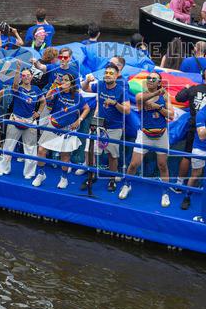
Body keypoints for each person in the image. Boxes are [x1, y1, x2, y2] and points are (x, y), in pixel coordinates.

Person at [120, 72, 173, 207]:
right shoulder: (141, 95)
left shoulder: (165, 96)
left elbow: (171, 115)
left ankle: (165, 192)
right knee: (133, 164)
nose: (150, 80)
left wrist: (158, 107)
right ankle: (127, 184)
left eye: (153, 79)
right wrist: (157, 94)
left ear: (159, 82)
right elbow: (140, 100)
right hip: (144, 134)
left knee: (162, 165)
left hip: (161, 135)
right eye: (148, 78)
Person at [32, 73, 90, 189]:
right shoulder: (57, 91)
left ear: (72, 83)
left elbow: (87, 108)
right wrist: (54, 87)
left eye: (66, 80)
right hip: (53, 125)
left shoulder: (77, 96)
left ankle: (64, 178)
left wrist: (79, 120)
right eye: (62, 79)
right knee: (41, 150)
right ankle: (40, 174)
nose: (63, 81)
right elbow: (47, 98)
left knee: (65, 155)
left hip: (67, 129)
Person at [82, 64, 131, 192]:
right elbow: (84, 89)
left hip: (114, 126)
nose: (107, 75)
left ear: (116, 75)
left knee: (112, 155)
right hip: (98, 122)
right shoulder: (100, 85)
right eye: (106, 72)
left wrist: (115, 103)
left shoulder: (121, 90)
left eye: (111, 73)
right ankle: (91, 176)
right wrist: (87, 80)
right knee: (89, 151)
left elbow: (127, 110)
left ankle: (112, 179)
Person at [0, 65, 45, 179]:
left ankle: (29, 173)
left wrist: (38, 112)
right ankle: (3, 169)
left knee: (31, 149)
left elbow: (43, 102)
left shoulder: (36, 89)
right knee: (8, 146)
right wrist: (18, 69)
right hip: (15, 120)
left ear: (32, 76)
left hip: (30, 121)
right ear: (21, 77)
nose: (26, 77)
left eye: (28, 75)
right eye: (24, 76)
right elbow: (14, 85)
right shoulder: (17, 88)